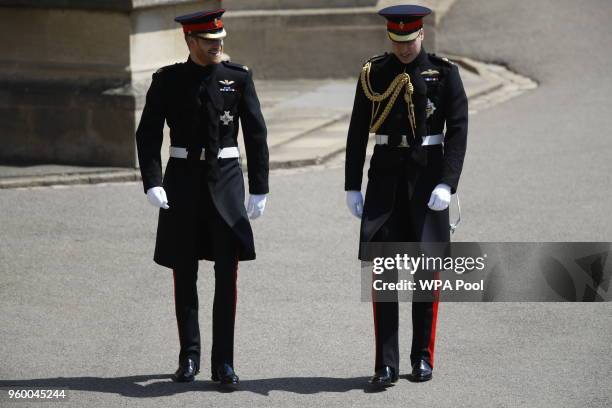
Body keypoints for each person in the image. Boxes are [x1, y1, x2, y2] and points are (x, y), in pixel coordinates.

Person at [136, 8, 269, 385]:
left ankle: (223, 362)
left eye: (220, 40)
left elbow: (256, 135)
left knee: (227, 272)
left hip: (225, 180)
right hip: (181, 181)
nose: (218, 45)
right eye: (210, 41)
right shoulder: (168, 80)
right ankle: (189, 357)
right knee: (185, 271)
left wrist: (260, 187)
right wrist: (152, 181)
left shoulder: (237, 78)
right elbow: (147, 134)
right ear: (190, 41)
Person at [344, 4, 468, 386]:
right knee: (382, 274)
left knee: (425, 274)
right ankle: (385, 363)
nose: (403, 49)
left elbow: (458, 131)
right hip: (384, 177)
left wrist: (448, 182)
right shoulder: (375, 73)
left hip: (427, 177)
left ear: (421, 34)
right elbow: (356, 130)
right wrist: (351, 184)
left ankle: (422, 357)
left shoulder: (445, 74)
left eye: (409, 40)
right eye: (396, 41)